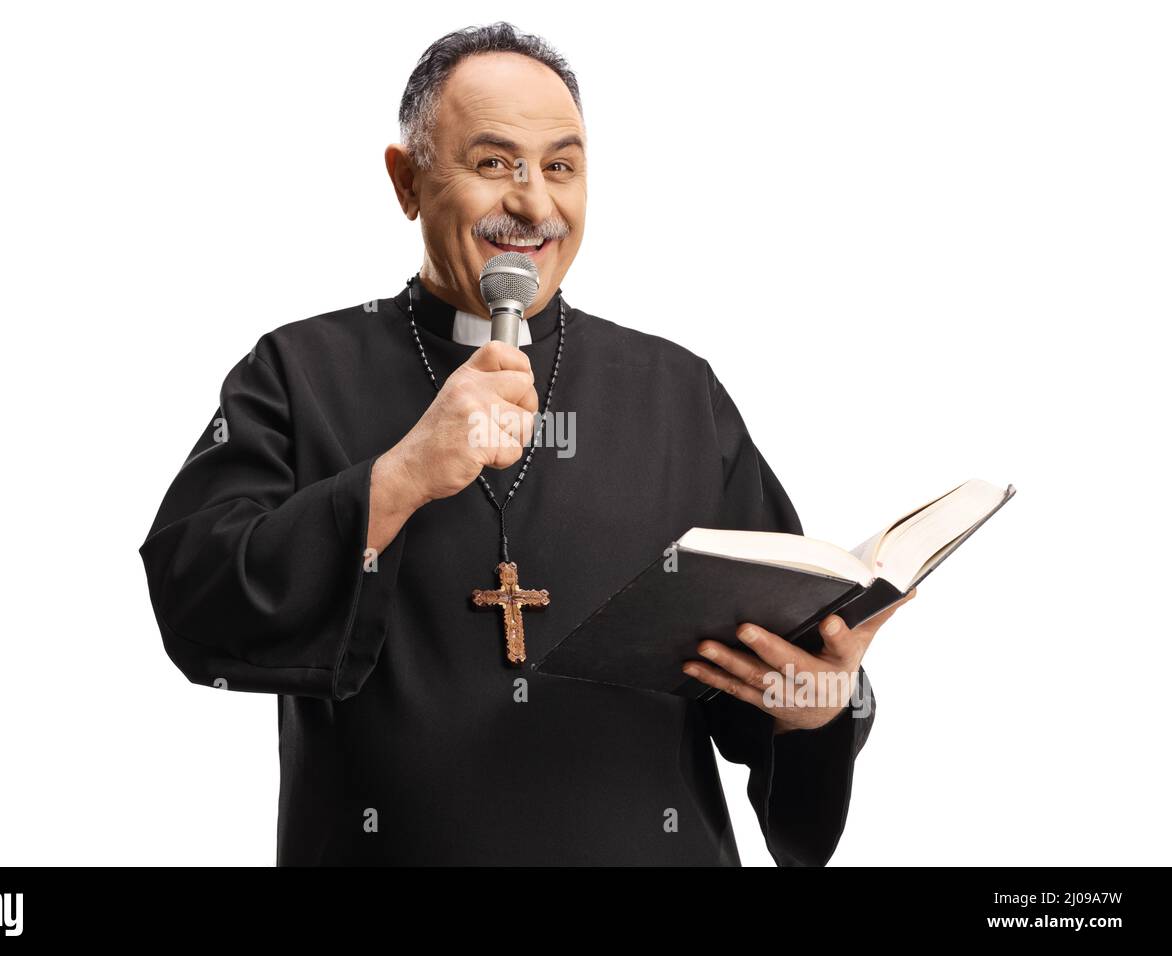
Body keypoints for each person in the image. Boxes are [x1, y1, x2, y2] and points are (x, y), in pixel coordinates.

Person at [138, 21, 915, 866]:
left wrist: (816, 703)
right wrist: (398, 478)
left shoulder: (677, 393)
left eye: (561, 167)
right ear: (407, 182)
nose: (535, 205)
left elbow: (760, 669)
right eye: (495, 163)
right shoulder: (299, 371)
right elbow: (197, 599)